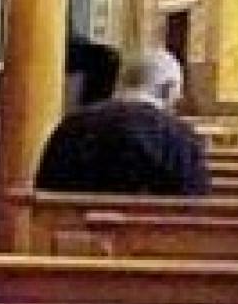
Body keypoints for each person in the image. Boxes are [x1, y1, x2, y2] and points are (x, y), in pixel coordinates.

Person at [35, 47, 210, 196]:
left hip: (67, 234)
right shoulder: (181, 138)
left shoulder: (70, 126)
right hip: (150, 235)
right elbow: (194, 208)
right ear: (168, 90)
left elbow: (44, 190)